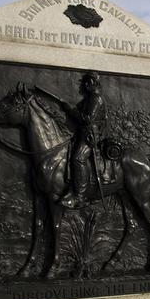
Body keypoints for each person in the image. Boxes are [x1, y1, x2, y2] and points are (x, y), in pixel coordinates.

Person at [57, 72, 107, 208]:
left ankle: (80, 197)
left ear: (93, 83)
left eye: (87, 82)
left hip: (90, 136)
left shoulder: (96, 99)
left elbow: (87, 119)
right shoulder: (88, 99)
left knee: (78, 158)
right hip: (82, 134)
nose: (84, 86)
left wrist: (69, 109)